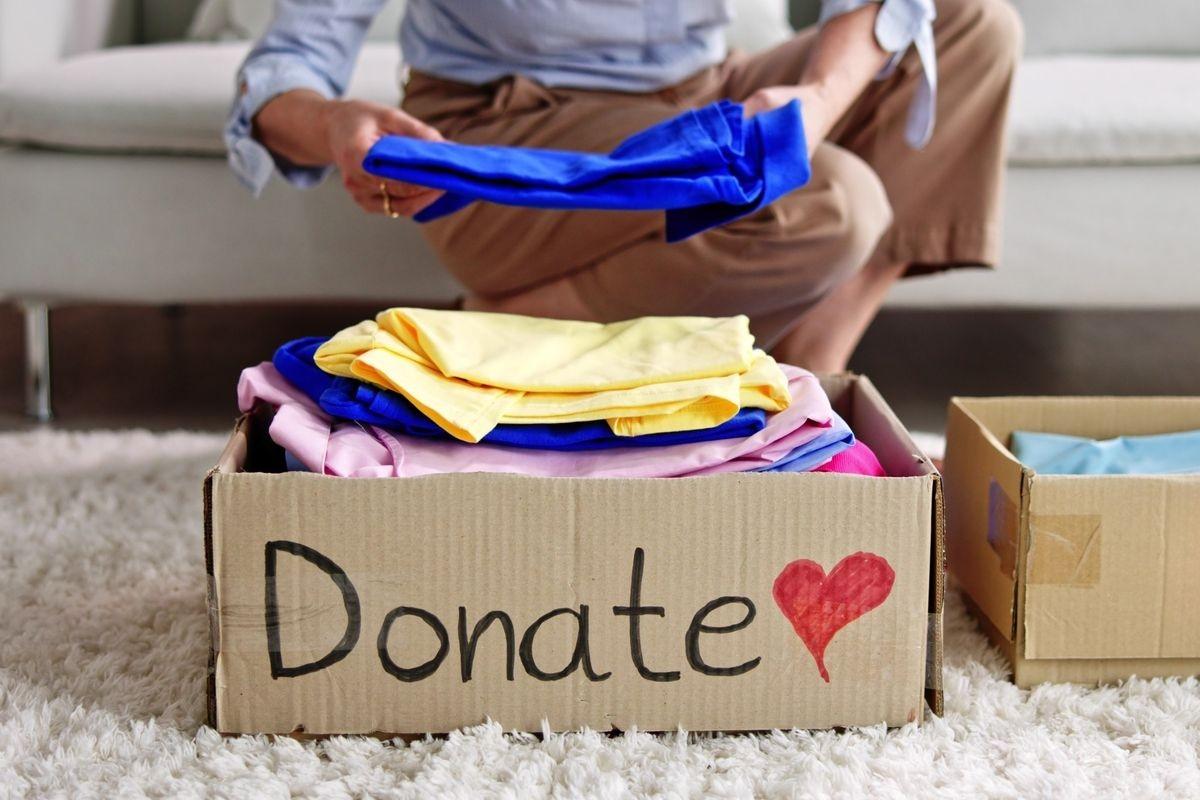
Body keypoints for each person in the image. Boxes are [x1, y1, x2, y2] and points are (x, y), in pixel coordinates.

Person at [227, 0, 1022, 372]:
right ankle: (508, 328)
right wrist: (335, 123)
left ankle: (818, 362)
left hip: (700, 92)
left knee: (972, 26)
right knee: (832, 205)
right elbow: (281, 72)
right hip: (509, 130)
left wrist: (813, 107)